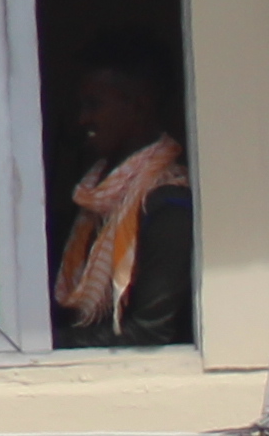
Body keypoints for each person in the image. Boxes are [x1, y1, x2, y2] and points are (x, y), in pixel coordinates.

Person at [54, 38, 195, 350]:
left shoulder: (168, 201)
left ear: (139, 106)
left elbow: (150, 333)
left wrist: (46, 346)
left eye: (94, 105)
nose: (83, 119)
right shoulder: (97, 196)